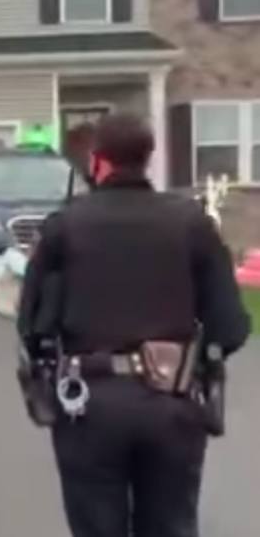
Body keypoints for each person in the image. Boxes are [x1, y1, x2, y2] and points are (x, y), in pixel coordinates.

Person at [17, 112, 250, 537]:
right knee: (170, 525)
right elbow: (231, 327)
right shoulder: (191, 223)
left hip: (89, 404)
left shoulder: (64, 226)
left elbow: (31, 325)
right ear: (148, 158)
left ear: (98, 161)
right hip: (172, 402)